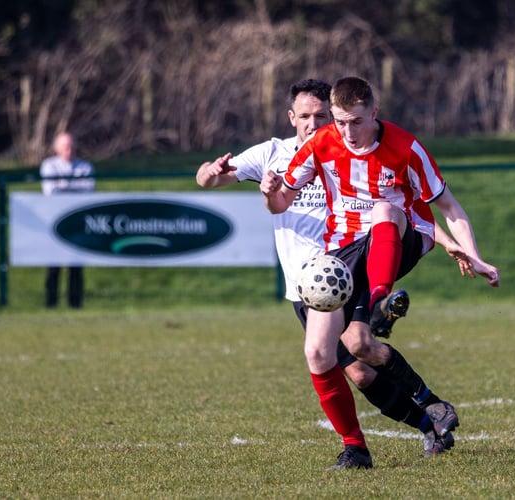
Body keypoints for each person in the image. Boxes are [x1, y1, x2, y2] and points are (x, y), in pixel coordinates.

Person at [197, 79, 488, 468]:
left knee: (359, 335)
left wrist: (458, 245)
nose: (318, 124)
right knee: (349, 360)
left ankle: (381, 305)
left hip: (359, 261)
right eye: (309, 116)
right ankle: (414, 424)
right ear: (292, 117)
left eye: (324, 117)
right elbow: (228, 185)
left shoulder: (390, 147)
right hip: (313, 282)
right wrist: (237, 180)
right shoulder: (275, 154)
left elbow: (404, 207)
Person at [40, 131, 95, 308]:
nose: (68, 150)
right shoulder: (49, 166)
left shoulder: (85, 167)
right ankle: (51, 303)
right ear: (56, 148)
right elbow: (50, 191)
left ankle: (75, 304)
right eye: (65, 146)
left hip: (77, 224)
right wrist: (73, 188)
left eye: (71, 146)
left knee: (76, 266)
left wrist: (62, 186)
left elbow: (88, 190)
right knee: (54, 265)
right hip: (54, 223)